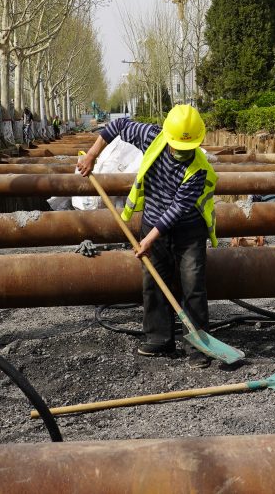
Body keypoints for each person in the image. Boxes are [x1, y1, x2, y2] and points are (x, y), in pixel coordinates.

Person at [77, 105, 217, 368]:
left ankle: (198, 346)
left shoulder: (199, 169)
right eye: (177, 147)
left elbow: (176, 210)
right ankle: (159, 338)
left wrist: (148, 239)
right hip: (153, 220)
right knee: (154, 280)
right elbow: (117, 126)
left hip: (188, 229)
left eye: (187, 148)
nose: (182, 152)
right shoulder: (152, 136)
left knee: (193, 285)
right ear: (167, 136)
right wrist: (93, 154)